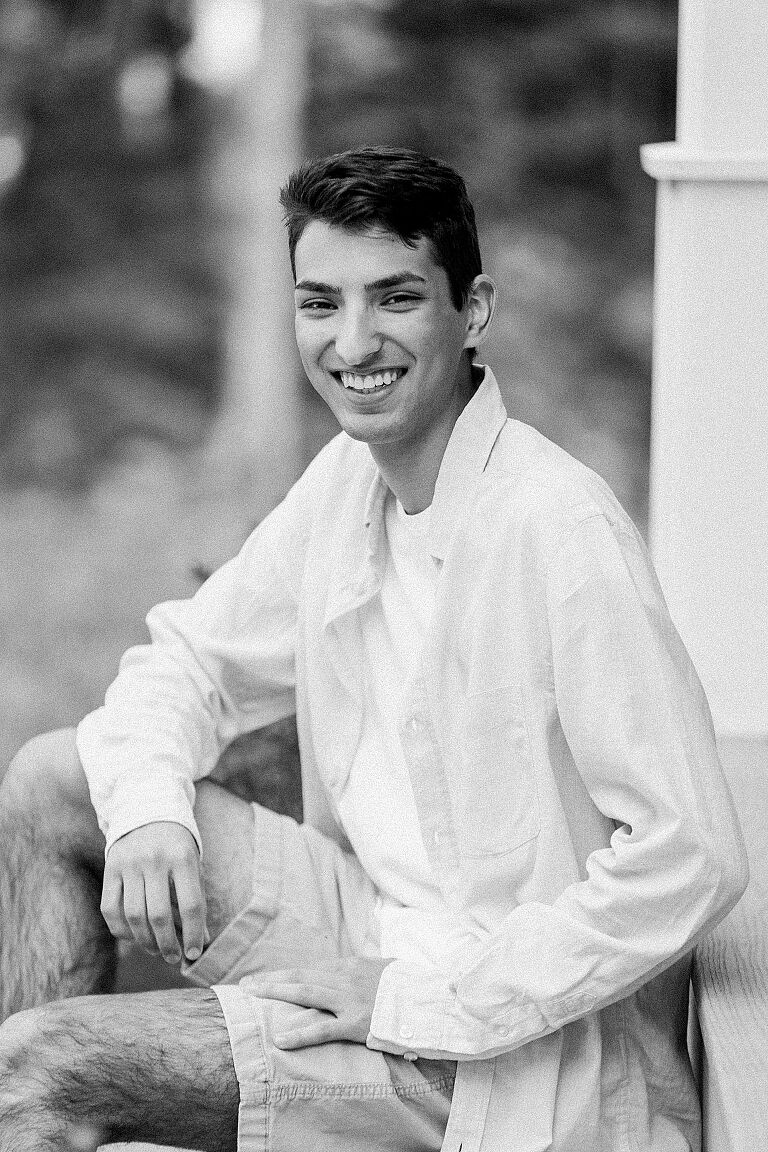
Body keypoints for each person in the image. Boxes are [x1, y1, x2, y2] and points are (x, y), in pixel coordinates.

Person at [0, 146, 748, 1152]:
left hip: (504, 1043)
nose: (352, 344)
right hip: (366, 922)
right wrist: (146, 821)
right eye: (320, 304)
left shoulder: (560, 530)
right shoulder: (349, 481)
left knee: (43, 1069)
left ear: (472, 309)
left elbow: (692, 856)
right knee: (58, 779)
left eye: (394, 299)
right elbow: (190, 659)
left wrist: (413, 999)